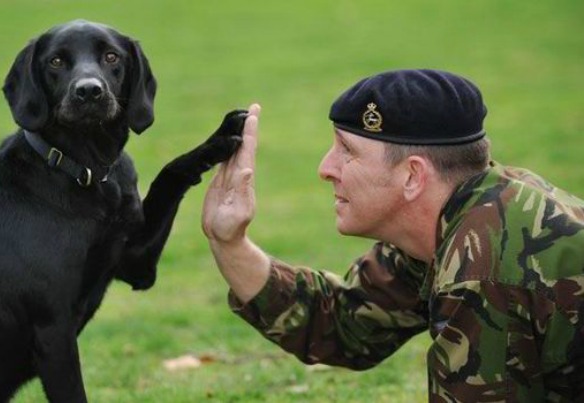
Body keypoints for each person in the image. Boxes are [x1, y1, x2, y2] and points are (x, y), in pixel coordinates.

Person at [201, 69, 584, 401]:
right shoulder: (465, 212)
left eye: (346, 151)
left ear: (413, 177)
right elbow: (343, 324)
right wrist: (230, 242)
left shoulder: (483, 263)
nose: (325, 168)